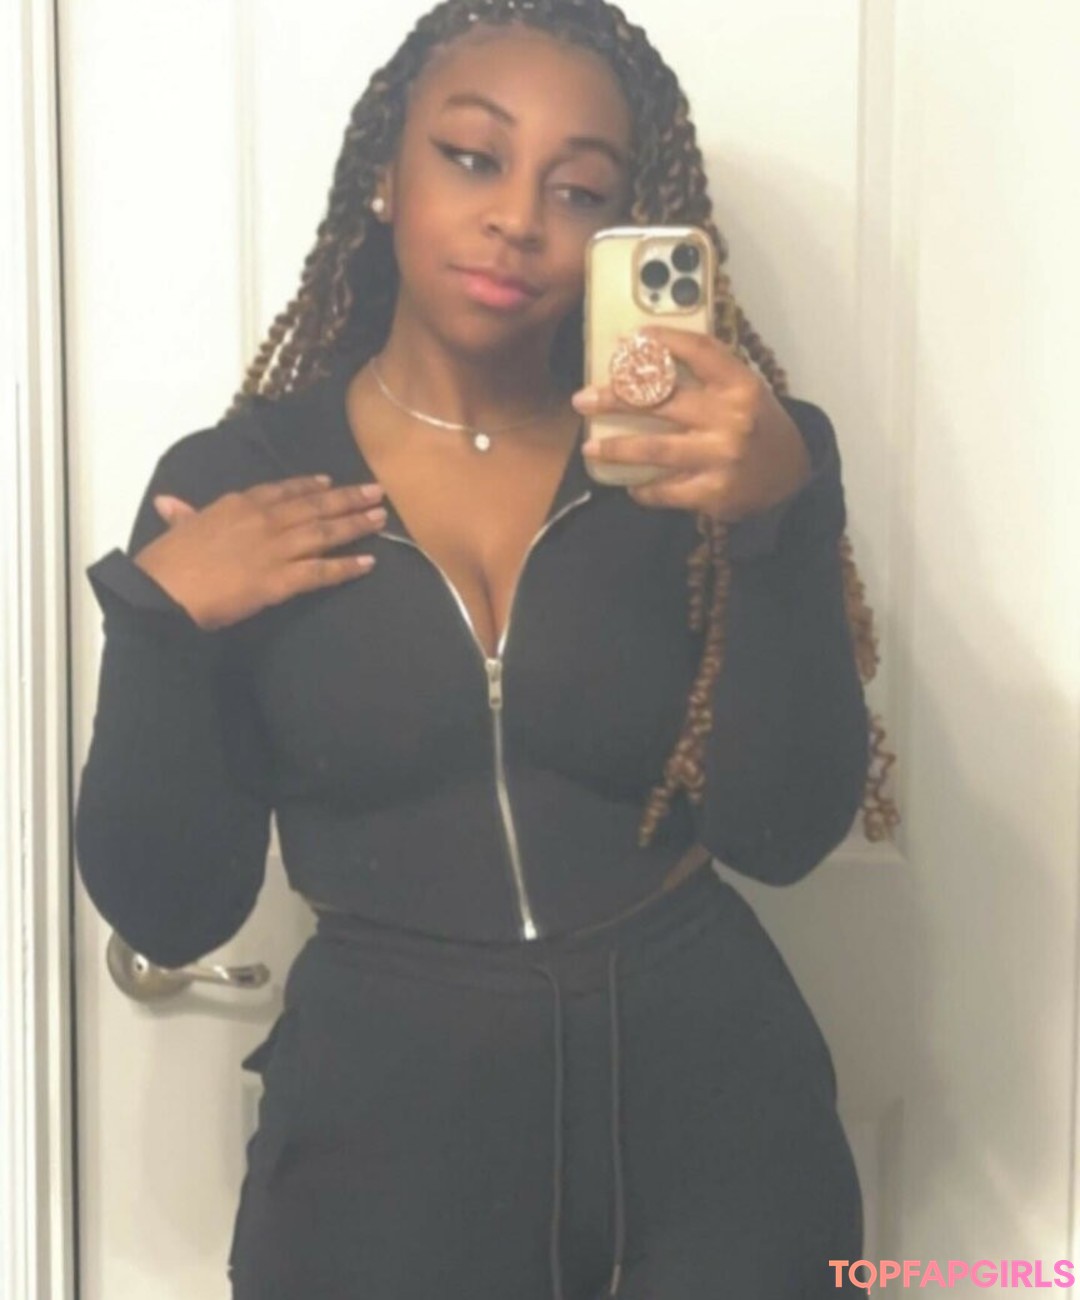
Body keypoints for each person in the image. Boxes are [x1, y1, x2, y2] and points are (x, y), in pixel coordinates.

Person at [74, 0, 901, 1295]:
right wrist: (158, 626)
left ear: (624, 228)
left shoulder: (699, 464)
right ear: (386, 176)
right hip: (379, 1166)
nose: (519, 217)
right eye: (473, 157)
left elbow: (784, 832)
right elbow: (170, 909)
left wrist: (783, 520)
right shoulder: (240, 484)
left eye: (579, 190)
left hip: (723, 1147)